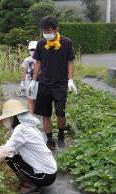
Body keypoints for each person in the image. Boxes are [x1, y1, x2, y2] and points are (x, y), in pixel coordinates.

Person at [0, 99, 57, 194]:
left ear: (13, 117)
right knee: (11, 154)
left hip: (45, 176)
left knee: (9, 157)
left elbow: (5, 150)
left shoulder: (21, 129)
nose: (4, 121)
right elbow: (10, 148)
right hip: (50, 171)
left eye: (6, 118)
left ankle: (31, 185)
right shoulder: (28, 126)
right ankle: (31, 181)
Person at [27, 16, 77, 150]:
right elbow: (38, 62)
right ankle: (49, 139)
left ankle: (61, 136)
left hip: (60, 84)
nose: (46, 33)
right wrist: (33, 81)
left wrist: (70, 80)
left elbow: (70, 61)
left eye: (49, 30)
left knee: (61, 113)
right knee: (45, 113)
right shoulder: (41, 43)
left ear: (56, 29)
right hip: (44, 83)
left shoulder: (66, 43)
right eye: (44, 30)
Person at [20, 41, 38, 114]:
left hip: (38, 82)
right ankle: (31, 117)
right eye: (31, 50)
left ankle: (31, 114)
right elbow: (24, 72)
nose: (33, 51)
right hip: (29, 82)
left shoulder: (41, 60)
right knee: (30, 99)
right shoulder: (27, 60)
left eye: (34, 50)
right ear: (29, 50)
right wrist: (22, 82)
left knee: (35, 100)